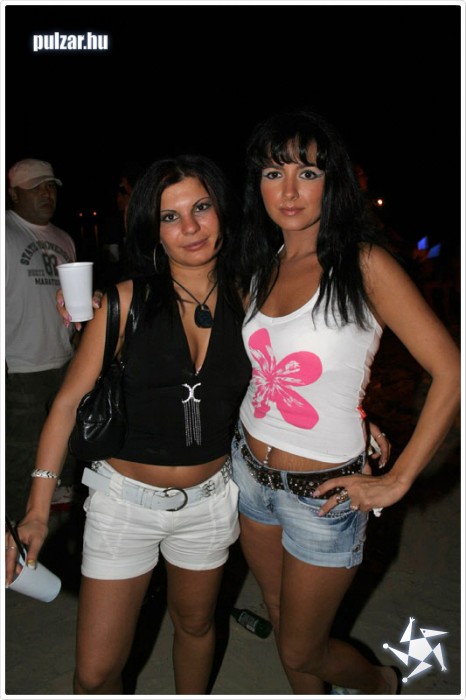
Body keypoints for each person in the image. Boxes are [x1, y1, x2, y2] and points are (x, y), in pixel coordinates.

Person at [231, 109, 461, 695]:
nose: (288, 191)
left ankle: (380, 682)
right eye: (273, 173)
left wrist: (398, 480)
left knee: (302, 648)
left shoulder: (363, 264)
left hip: (324, 495)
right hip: (249, 473)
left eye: (307, 173)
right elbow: (282, 370)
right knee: (279, 613)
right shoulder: (262, 266)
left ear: (332, 182)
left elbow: (451, 371)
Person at [5, 154, 252, 695]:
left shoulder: (252, 300)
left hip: (210, 504)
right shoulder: (122, 303)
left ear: (221, 211)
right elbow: (66, 404)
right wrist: (38, 511)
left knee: (195, 626)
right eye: (170, 216)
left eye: (201, 207)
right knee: (95, 674)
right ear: (152, 231)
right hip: (123, 506)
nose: (190, 227)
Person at [5, 158, 78, 521]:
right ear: (13, 193)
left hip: (65, 363)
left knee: (64, 450)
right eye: (36, 187)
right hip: (19, 367)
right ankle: (14, 533)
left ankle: (56, 528)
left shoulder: (64, 239)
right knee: (21, 458)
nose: (46, 193)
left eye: (50, 186)